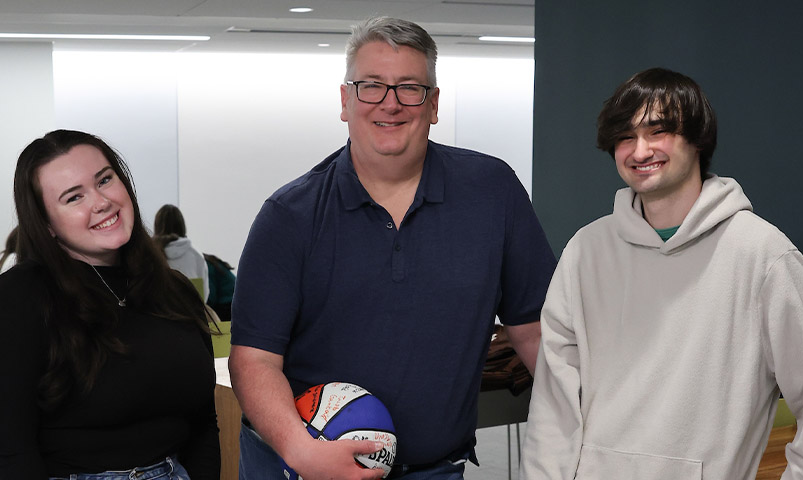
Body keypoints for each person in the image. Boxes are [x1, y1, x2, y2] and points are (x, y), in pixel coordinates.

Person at [229, 15, 556, 480]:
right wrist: (301, 451)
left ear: (434, 103)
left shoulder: (492, 192)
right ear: (345, 100)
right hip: (300, 466)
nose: (390, 103)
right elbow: (254, 360)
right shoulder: (289, 216)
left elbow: (534, 330)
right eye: (371, 86)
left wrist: (593, 425)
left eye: (409, 88)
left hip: (433, 469)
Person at [520, 68, 803, 479]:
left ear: (698, 139)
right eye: (625, 136)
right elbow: (554, 404)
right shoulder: (586, 250)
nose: (639, 151)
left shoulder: (762, 255)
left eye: (657, 132)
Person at [0, 130, 220, 479]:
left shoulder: (173, 289)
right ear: (46, 224)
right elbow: (10, 449)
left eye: (105, 180)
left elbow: (204, 423)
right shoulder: (20, 297)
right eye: (74, 198)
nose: (101, 202)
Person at [153, 204, 210, 302]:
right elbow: (203, 296)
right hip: (190, 314)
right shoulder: (196, 255)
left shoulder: (150, 253)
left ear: (157, 226)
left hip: (158, 314)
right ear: (182, 226)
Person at [204, 253, 235, 322]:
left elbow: (211, 298)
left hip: (227, 306)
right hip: (236, 303)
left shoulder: (206, 265)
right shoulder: (210, 262)